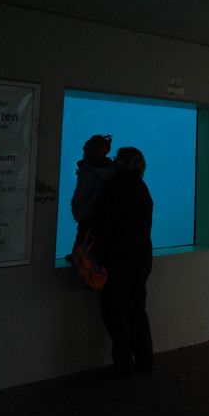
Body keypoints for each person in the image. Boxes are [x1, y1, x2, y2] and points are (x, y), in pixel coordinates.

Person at [92, 146, 154, 376]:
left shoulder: (114, 187)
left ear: (120, 162)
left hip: (117, 260)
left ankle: (123, 364)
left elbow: (103, 224)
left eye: (116, 158)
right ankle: (146, 359)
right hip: (141, 259)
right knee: (137, 309)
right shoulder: (142, 187)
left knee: (115, 311)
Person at [70, 134, 115, 250]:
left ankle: (79, 257)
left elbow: (81, 194)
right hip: (107, 215)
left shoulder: (87, 171)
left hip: (88, 216)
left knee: (83, 238)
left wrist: (75, 208)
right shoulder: (113, 168)